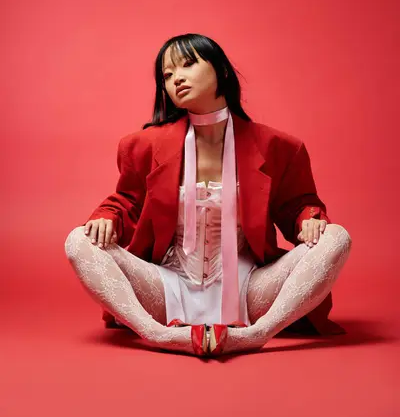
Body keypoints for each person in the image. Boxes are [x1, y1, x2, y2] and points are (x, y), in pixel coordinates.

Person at [64, 33, 352, 357]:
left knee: (337, 237)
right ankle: (156, 334)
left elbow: (298, 205)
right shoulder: (142, 145)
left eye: (187, 65)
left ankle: (257, 334)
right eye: (168, 75)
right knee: (78, 240)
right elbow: (127, 202)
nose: (177, 79)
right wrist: (107, 218)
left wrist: (309, 221)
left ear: (222, 72)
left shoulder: (280, 147)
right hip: (167, 288)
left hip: (249, 290)